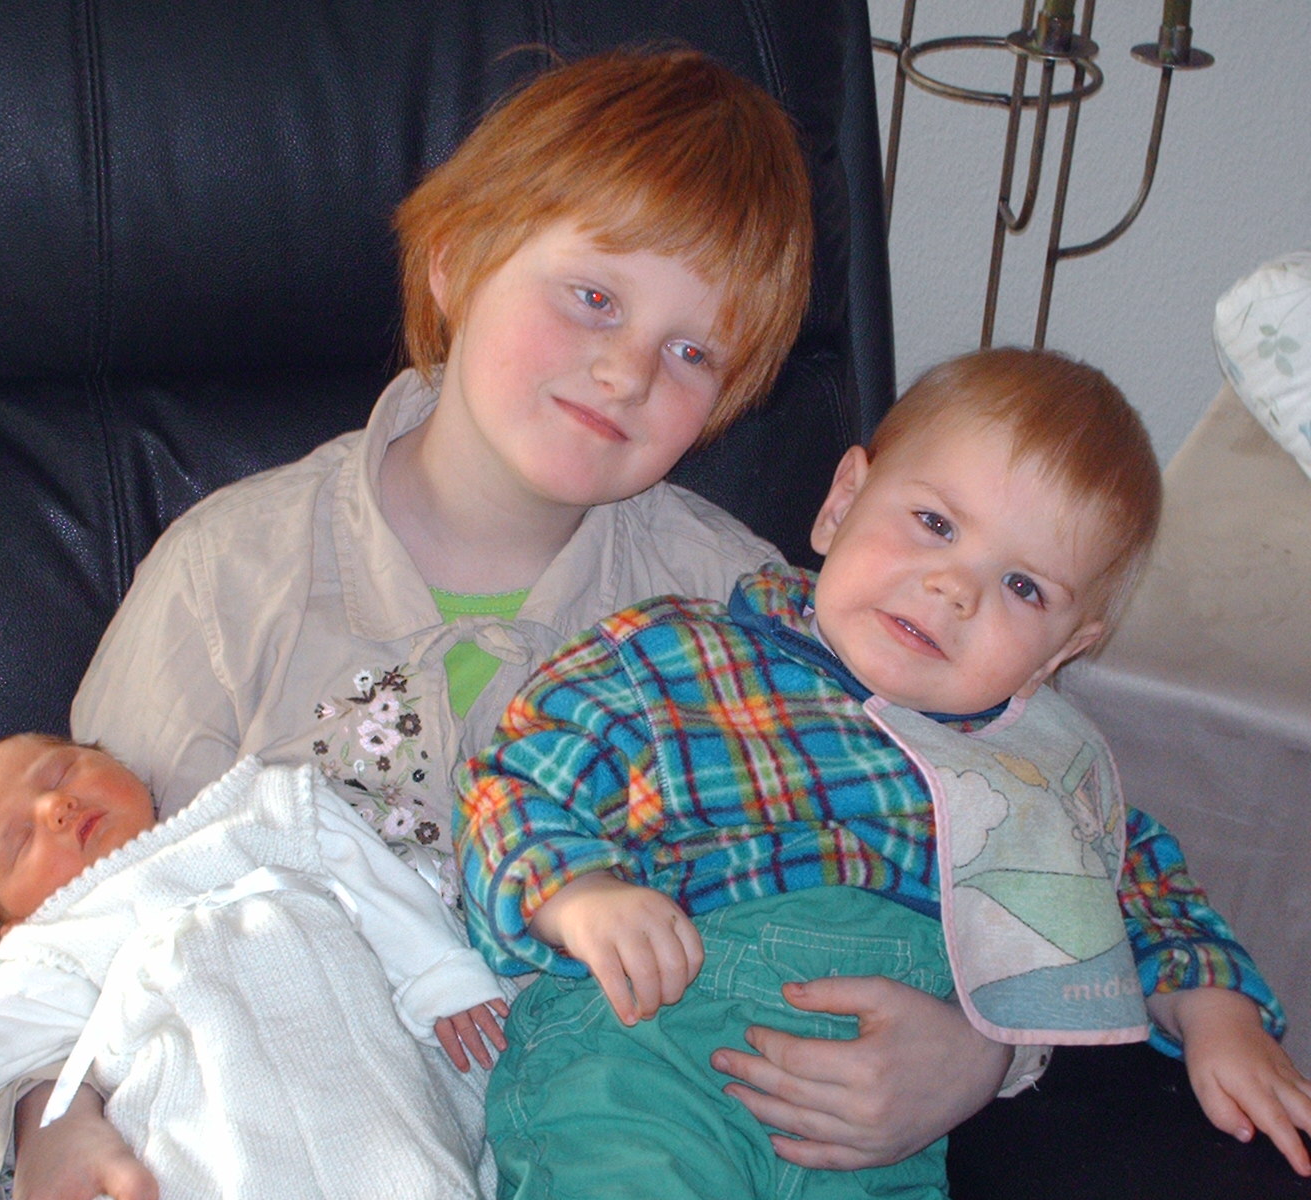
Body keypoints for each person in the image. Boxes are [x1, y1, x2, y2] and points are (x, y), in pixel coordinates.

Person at [4, 48, 1022, 1200]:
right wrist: (51, 1120)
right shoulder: (226, 578)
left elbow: (1004, 831)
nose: (627, 371)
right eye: (592, 297)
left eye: (693, 352)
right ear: (456, 261)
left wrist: (979, 1054)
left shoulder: (749, 613)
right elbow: (69, 916)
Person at [457, 347, 1311, 1198]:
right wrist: (580, 896)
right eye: (935, 524)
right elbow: (516, 784)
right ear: (841, 504)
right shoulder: (673, 654)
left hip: (875, 1136)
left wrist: (1218, 1014)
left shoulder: (1046, 774)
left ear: (1063, 651)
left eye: (1023, 587)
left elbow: (1145, 890)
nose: (954, 589)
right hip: (647, 1060)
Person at [0, 733, 511, 1198]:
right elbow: (5, 1022)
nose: (57, 806)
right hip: (205, 1144)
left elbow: (375, 885)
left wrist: (440, 976)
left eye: (61, 772)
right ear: (16, 920)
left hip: (363, 1090)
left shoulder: (263, 809)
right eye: (20, 839)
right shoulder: (61, 940)